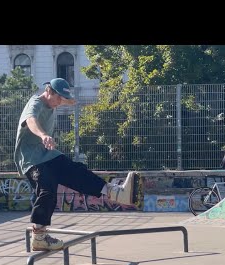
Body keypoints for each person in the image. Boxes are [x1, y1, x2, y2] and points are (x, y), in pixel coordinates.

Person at [14, 78, 136, 251]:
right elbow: (31, 120)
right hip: (31, 159)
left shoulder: (52, 102)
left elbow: (60, 99)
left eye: (62, 101)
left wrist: (67, 99)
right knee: (47, 188)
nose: (59, 104)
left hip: (47, 156)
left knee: (76, 171)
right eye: (58, 99)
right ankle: (39, 236)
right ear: (48, 92)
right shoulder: (35, 103)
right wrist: (43, 135)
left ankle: (115, 193)